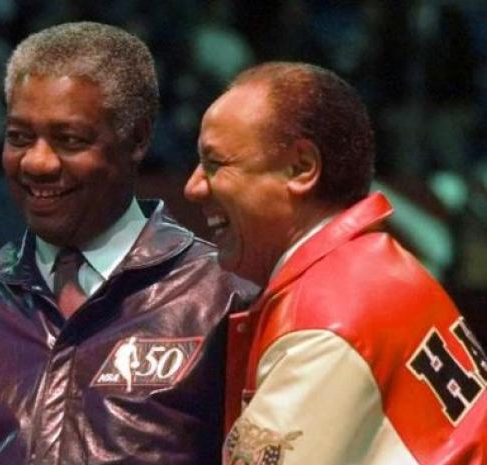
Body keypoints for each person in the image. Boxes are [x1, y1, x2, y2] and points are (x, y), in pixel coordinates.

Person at [0, 22, 257, 465]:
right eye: (19, 137)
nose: (37, 162)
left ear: (137, 138)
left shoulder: (230, 300)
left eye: (70, 140)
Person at [183, 61, 487, 465]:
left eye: (215, 163)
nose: (192, 187)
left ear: (301, 168)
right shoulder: (377, 266)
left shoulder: (322, 323)